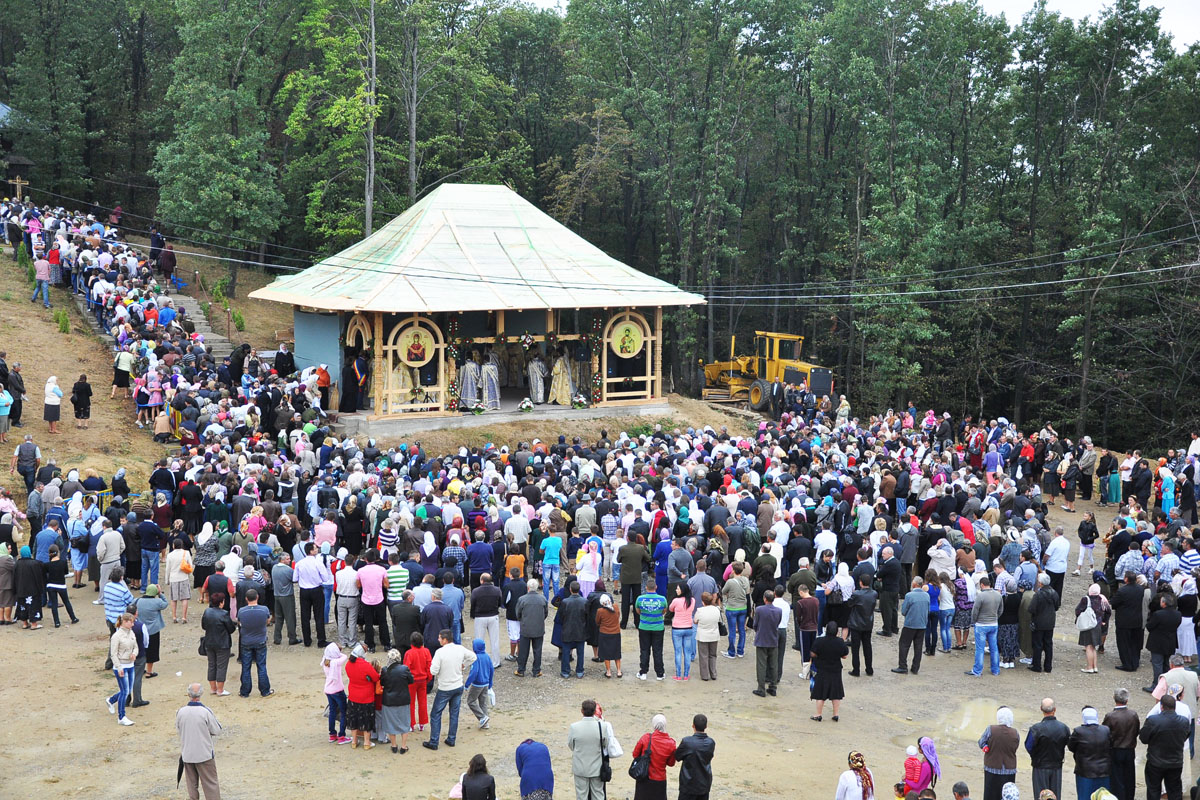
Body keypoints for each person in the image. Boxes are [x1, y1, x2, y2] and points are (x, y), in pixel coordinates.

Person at [423, 628, 476, 750]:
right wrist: (464, 665)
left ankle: (434, 741)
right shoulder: (460, 648)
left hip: (445, 688)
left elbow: (433, 671)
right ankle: (451, 739)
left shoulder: (440, 653)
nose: (438, 639)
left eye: (439, 637)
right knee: (454, 713)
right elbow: (473, 657)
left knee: (436, 713)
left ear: (445, 639)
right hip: (458, 686)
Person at [1139, 693, 1189, 800]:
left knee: (1153, 790)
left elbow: (1143, 738)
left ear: (1161, 706)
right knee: (1175, 791)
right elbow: (1186, 735)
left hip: (1155, 762)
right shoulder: (1184, 721)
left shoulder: (1153, 720)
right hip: (1175, 762)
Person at [566, 698, 615, 800]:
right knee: (598, 794)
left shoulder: (574, 727)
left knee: (581, 795)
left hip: (580, 767)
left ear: (582, 711)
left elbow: (571, 745)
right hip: (597, 767)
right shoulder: (602, 726)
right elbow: (605, 744)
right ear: (594, 711)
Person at [1024, 698, 1070, 800]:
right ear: (1055, 709)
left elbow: (1028, 746)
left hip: (1040, 766)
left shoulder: (1036, 729)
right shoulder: (1064, 728)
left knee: (1041, 795)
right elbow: (1069, 744)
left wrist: (1036, 755)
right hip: (1057, 766)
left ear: (1041, 709)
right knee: (1055, 795)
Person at [1067, 706, 1111, 800]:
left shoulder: (1079, 731)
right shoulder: (1105, 730)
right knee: (1102, 796)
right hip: (1103, 771)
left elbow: (1071, 746)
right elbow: (1110, 745)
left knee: (1085, 796)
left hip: (1085, 772)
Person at [236, 589, 273, 698]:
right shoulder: (264, 609)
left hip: (246, 641)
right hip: (260, 640)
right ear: (257, 597)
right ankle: (265, 690)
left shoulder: (242, 611)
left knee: (246, 666)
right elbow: (267, 621)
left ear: (246, 598)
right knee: (261, 666)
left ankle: (245, 691)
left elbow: (239, 622)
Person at [810, 620, 849, 721]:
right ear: (837, 632)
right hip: (835, 670)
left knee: (820, 693)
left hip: (822, 669)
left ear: (826, 630)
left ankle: (818, 714)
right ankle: (835, 714)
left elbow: (813, 654)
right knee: (836, 693)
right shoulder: (840, 642)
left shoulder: (819, 641)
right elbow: (844, 656)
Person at [632, 714, 677, 800]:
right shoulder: (671, 743)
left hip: (644, 777)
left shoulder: (646, 738)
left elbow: (635, 754)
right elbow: (671, 763)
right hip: (660, 780)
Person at [976, 706, 1018, 800]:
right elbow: (1015, 747)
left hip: (992, 767)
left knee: (990, 794)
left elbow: (981, 741)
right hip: (1009, 769)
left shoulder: (991, 729)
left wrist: (985, 746)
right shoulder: (1015, 733)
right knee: (1007, 795)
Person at [378, 647, 414, 753]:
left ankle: (394, 745)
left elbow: (383, 683)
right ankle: (403, 746)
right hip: (403, 699)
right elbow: (411, 680)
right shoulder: (404, 668)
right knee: (405, 722)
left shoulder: (385, 670)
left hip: (389, 701)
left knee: (390, 723)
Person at [344, 643, 379, 749]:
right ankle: (367, 742)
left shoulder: (348, 664)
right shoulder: (365, 665)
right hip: (366, 697)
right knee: (367, 719)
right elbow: (376, 677)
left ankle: (354, 741)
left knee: (353, 718)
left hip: (353, 696)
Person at [966, 575, 1002, 677]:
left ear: (982, 585)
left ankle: (977, 671)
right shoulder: (998, 595)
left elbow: (975, 611)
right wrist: (995, 617)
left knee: (980, 649)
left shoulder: (980, 596)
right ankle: (995, 670)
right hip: (994, 624)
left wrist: (974, 621)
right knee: (994, 648)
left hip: (981, 624)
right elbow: (1000, 610)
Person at [107, 612, 138, 726]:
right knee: (125, 691)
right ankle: (121, 716)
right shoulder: (117, 636)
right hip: (121, 666)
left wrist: (134, 654)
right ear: (125, 622)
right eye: (132, 622)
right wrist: (119, 667)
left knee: (127, 690)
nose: (133, 624)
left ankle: (111, 700)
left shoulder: (131, 633)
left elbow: (136, 646)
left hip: (130, 664)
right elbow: (113, 654)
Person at [674, 713, 715, 800]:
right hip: (704, 784)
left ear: (693, 725)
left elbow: (677, 756)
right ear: (706, 726)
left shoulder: (687, 742)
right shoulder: (711, 743)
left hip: (688, 784)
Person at [893, 577, 929, 675]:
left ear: (914, 584)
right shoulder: (926, 596)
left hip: (910, 624)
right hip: (922, 624)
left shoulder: (909, 595)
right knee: (918, 647)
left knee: (904, 645)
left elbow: (904, 611)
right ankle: (915, 668)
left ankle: (903, 666)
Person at [201, 593, 235, 696]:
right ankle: (220, 690)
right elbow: (231, 629)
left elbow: (203, 626)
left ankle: (213, 688)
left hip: (209, 642)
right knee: (221, 666)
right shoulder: (224, 614)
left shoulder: (207, 612)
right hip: (222, 643)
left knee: (211, 665)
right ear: (221, 602)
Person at [750, 589, 782, 697]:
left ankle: (761, 688)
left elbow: (755, 624)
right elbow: (778, 623)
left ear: (764, 599)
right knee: (773, 664)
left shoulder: (759, 610)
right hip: (773, 639)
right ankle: (773, 687)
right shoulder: (778, 611)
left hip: (762, 639)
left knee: (761, 664)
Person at [636, 578, 668, 681]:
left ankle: (643, 672)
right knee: (658, 650)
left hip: (644, 627)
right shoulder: (662, 599)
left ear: (646, 588)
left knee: (644, 650)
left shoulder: (640, 599)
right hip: (658, 627)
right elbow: (664, 611)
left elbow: (638, 610)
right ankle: (659, 673)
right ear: (656, 587)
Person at [514, 578, 548, 677]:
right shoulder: (543, 599)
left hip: (526, 628)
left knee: (523, 650)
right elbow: (545, 613)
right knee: (537, 650)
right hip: (538, 628)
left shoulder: (522, 599)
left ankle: (521, 670)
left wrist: (523, 620)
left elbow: (518, 613)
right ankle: (536, 670)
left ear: (528, 587)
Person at [1074, 583, 1110, 674]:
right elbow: (1108, 611)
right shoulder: (1102, 599)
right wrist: (1104, 620)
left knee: (1088, 647)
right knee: (1093, 647)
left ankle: (1089, 667)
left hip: (1088, 625)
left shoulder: (1086, 599)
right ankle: (1095, 666)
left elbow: (1078, 610)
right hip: (1097, 625)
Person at [1027, 574, 1059, 673]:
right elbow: (1057, 607)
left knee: (1037, 645)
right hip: (1050, 622)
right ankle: (1048, 666)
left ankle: (1037, 665)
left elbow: (1031, 609)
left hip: (1039, 622)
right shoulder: (1054, 593)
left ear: (1040, 583)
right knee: (1048, 644)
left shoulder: (1038, 595)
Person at [321, 642, 350, 744]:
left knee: (332, 711)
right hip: (337, 690)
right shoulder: (336, 662)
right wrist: (338, 653)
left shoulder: (325, 662)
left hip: (328, 690)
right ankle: (342, 736)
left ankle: (332, 734)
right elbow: (344, 656)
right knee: (343, 712)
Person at [668, 581, 697, 680]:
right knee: (687, 652)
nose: (676, 590)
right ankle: (686, 675)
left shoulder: (676, 601)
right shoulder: (692, 600)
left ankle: (678, 674)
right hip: (689, 627)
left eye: (678, 588)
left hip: (677, 628)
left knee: (678, 652)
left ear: (682, 590)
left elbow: (671, 609)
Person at [465, 638, 494, 730]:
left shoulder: (475, 658)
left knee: (471, 701)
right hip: (485, 684)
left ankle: (482, 717)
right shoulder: (487, 656)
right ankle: (485, 723)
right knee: (483, 703)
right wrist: (490, 682)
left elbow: (474, 672)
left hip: (477, 684)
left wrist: (467, 684)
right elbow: (491, 670)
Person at [596, 592, 623, 678]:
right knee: (616, 652)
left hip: (605, 633)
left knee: (606, 653)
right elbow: (618, 616)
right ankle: (619, 671)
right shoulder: (616, 607)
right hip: (616, 632)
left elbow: (597, 622)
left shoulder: (600, 611)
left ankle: (608, 672)